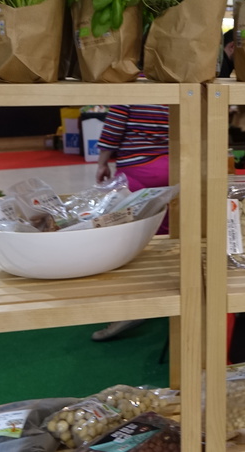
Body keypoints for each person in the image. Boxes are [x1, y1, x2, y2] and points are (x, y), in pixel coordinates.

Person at [91, 104, 170, 342]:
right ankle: (163, 296)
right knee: (164, 236)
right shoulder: (172, 89)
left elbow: (113, 130)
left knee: (130, 238)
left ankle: (133, 306)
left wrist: (102, 162)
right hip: (170, 166)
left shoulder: (130, 94)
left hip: (137, 169)